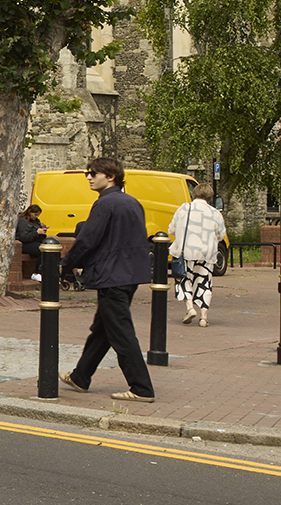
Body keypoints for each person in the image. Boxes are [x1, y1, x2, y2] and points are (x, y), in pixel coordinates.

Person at [63, 157, 157, 402]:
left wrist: (64, 264)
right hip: (129, 274)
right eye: (88, 173)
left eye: (94, 173)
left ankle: (141, 388)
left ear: (111, 176)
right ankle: (80, 377)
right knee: (103, 329)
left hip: (111, 276)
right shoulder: (132, 202)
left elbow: (88, 239)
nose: (89, 177)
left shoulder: (105, 204)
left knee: (121, 332)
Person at [168, 183, 227, 327]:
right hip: (207, 253)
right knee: (205, 282)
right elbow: (221, 234)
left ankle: (190, 308)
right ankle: (204, 317)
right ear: (210, 197)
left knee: (184, 279)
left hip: (186, 251)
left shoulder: (184, 208)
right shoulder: (215, 213)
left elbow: (171, 229)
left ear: (194, 194)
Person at [14, 203, 49, 281]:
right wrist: (36, 233)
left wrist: (42, 233)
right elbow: (23, 237)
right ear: (30, 212)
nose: (36, 217)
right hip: (25, 244)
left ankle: (45, 272)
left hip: (35, 242)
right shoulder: (23, 221)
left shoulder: (36, 221)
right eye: (35, 214)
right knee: (42, 250)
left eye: (38, 215)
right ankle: (36, 273)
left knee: (49, 249)